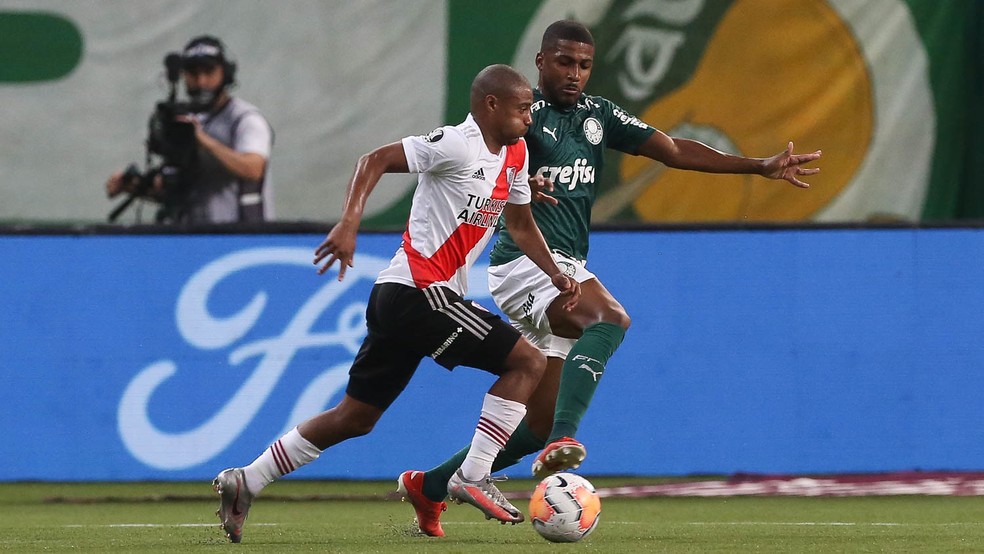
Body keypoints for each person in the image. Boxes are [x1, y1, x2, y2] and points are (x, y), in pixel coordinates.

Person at [398, 20, 822, 537]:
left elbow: (672, 149)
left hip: (564, 268)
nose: (574, 73)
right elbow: (473, 152)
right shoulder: (519, 114)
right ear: (540, 62)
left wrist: (758, 166)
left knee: (534, 424)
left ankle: (432, 485)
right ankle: (566, 441)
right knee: (611, 319)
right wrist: (511, 179)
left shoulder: (597, 115)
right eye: (563, 62)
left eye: (583, 65)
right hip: (525, 264)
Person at [211, 64, 580, 543]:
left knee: (356, 417)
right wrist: (349, 224)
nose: (530, 117)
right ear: (491, 105)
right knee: (528, 360)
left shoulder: (516, 153)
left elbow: (522, 224)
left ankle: (248, 478)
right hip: (418, 291)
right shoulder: (454, 143)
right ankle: (471, 476)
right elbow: (374, 159)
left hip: (402, 299)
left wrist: (555, 272)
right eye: (522, 108)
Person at [106, 35, 273, 223]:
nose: (201, 81)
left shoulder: (245, 119)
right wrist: (133, 186)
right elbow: (181, 190)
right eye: (193, 73)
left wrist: (204, 141)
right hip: (192, 236)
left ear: (225, 73)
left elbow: (253, 169)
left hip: (238, 237)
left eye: (209, 72)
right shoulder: (187, 121)